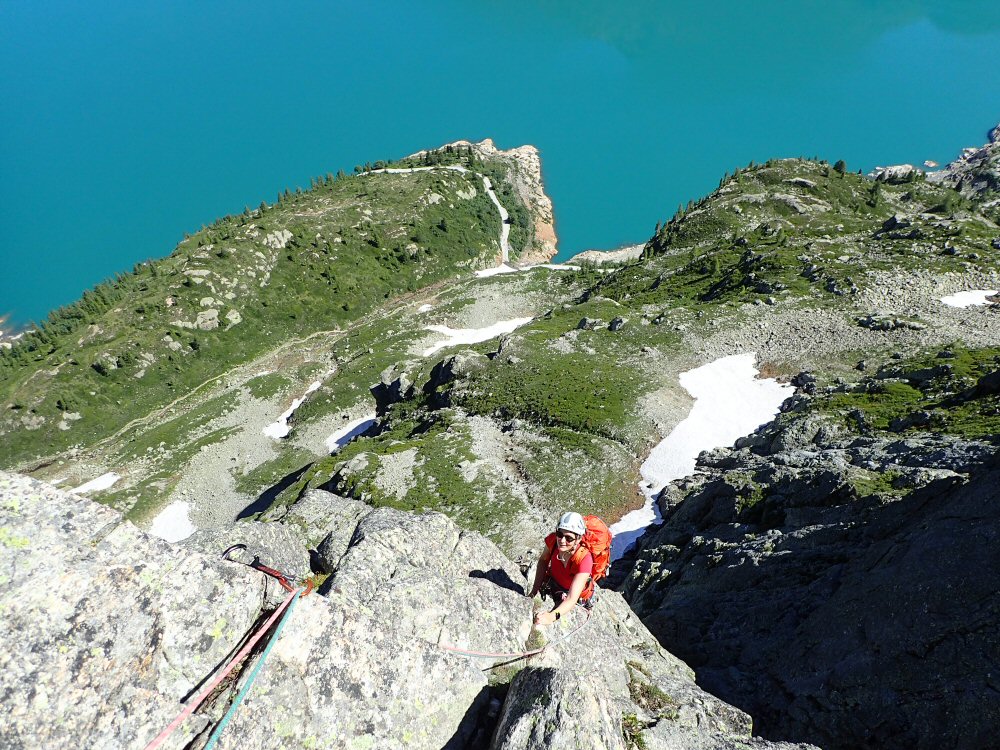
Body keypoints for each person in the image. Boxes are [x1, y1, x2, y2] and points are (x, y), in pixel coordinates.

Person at [527, 512, 594, 626]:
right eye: (560, 534)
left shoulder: (584, 559)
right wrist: (534, 590)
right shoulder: (553, 541)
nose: (562, 540)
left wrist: (551, 617)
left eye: (569, 538)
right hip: (554, 582)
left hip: (573, 594)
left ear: (578, 539)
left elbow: (572, 598)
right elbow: (543, 561)